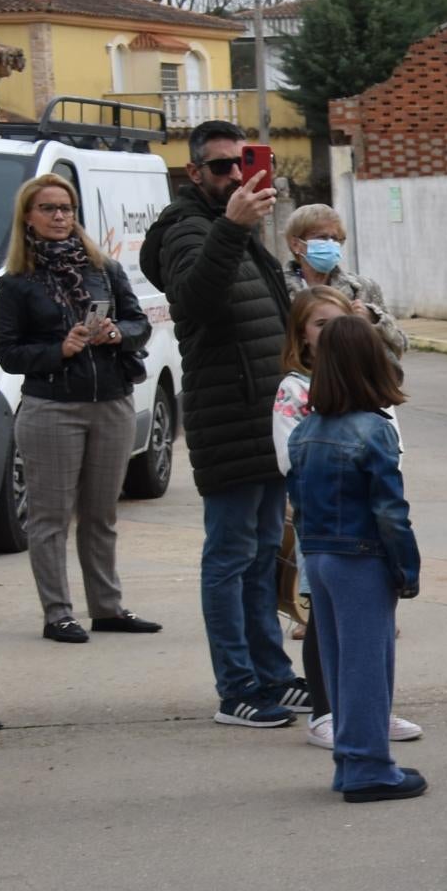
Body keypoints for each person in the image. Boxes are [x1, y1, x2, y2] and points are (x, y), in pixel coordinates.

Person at [143, 121, 300, 728]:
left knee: (265, 556)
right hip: (228, 419)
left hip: (264, 421)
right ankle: (237, 688)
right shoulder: (187, 229)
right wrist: (233, 226)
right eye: (220, 167)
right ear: (194, 174)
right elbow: (195, 300)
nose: (235, 175)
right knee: (231, 559)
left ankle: (272, 677)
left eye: (242, 163)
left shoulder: (236, 230)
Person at [0, 175, 161, 646]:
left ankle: (106, 608)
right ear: (28, 216)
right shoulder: (18, 283)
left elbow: (139, 323)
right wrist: (58, 349)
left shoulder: (102, 268)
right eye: (48, 208)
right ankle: (58, 613)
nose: (59, 216)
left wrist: (116, 334)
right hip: (52, 408)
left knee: (101, 513)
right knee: (50, 517)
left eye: (66, 207)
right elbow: (8, 353)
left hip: (111, 401)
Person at [284, 316, 424, 802]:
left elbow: (298, 507)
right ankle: (368, 767)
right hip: (361, 557)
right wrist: (407, 569)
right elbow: (390, 512)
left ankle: (350, 758)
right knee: (369, 663)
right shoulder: (373, 431)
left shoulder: (304, 432)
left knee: (340, 661)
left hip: (321, 556)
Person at [283, 205, 408, 361]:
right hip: (302, 380)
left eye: (335, 239)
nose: (330, 244)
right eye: (321, 238)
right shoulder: (278, 288)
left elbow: (399, 345)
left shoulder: (362, 288)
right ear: (296, 244)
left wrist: (373, 320)